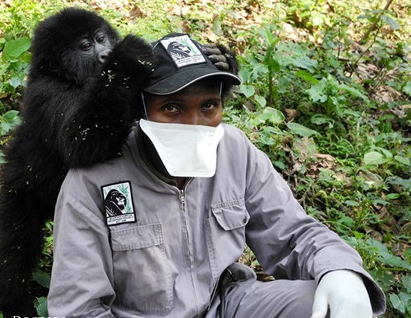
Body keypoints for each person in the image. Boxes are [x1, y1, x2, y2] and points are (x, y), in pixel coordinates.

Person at [47, 33, 386, 317]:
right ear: (142, 111)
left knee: (327, 304)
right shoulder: (96, 180)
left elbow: (294, 234)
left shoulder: (233, 150)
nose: (194, 124)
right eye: (172, 108)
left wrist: (340, 270)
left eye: (208, 106)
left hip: (226, 305)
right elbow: (79, 308)